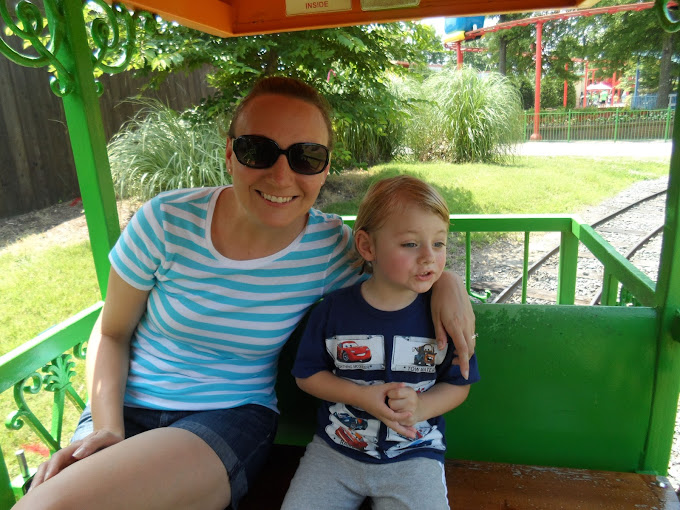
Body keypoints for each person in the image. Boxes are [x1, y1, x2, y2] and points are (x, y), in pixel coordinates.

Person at [15, 78, 476, 510]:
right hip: (120, 409)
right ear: (230, 154)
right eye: (258, 150)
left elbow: (403, 263)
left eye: (306, 156)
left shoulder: (329, 247)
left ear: (324, 168)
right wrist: (105, 427)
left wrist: (448, 283)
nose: (281, 175)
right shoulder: (166, 222)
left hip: (226, 416)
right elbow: (112, 332)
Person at [281, 175, 480, 510]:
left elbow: (459, 383)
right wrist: (360, 396)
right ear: (367, 246)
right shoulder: (333, 311)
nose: (428, 257)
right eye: (410, 244)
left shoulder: (444, 316)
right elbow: (307, 375)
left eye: (439, 243)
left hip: (414, 455)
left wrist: (421, 408)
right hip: (335, 453)